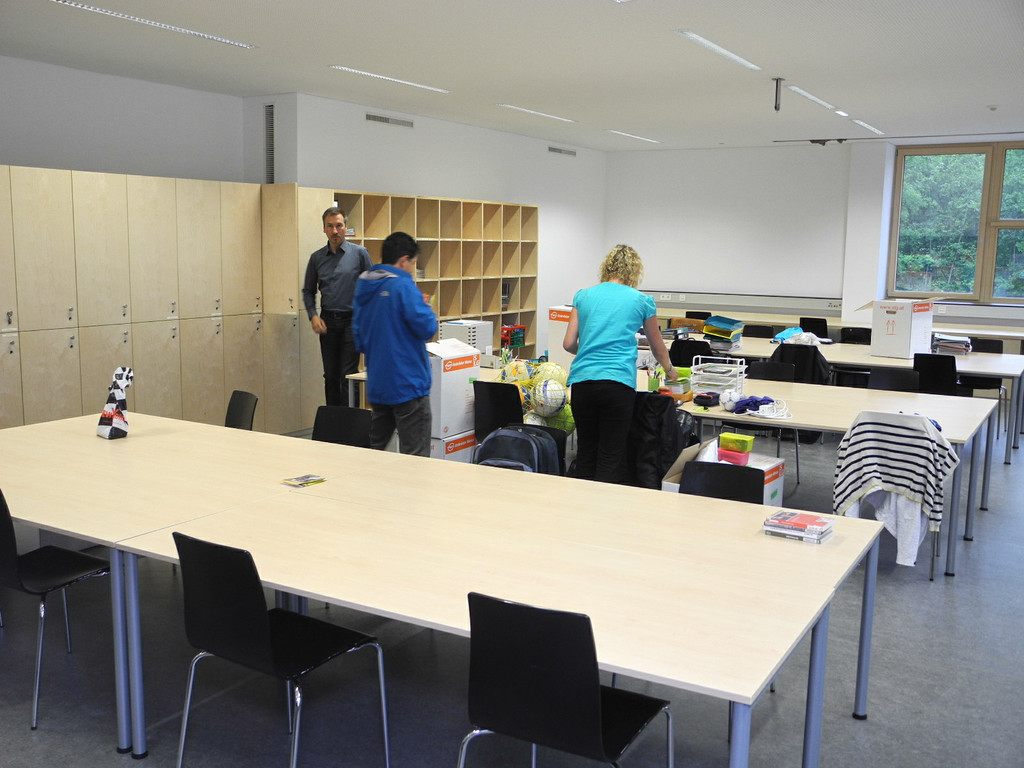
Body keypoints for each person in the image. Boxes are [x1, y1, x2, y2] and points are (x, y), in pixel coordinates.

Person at [562, 244, 678, 484]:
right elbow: (658, 348)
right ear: (634, 271)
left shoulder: (582, 296)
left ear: (606, 268)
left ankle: (577, 504)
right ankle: (602, 506)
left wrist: (589, 350)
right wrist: (670, 370)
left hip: (583, 382)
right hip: (618, 384)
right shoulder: (642, 301)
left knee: (585, 453)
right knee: (610, 456)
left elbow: (568, 343)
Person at [353, 231, 438, 456]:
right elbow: (427, 328)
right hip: (408, 383)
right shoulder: (403, 286)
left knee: (375, 453)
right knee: (416, 457)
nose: (412, 269)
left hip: (379, 384)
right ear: (403, 260)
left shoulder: (364, 286)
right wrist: (427, 308)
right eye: (413, 263)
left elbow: (359, 340)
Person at [302, 207, 372, 406]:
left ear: (345, 227)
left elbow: (372, 287)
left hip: (352, 321)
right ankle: (332, 421)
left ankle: (351, 422)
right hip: (327, 323)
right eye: (330, 226)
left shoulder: (360, 254)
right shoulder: (317, 258)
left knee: (347, 376)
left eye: (339, 226)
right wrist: (313, 316)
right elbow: (308, 290)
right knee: (330, 376)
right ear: (324, 229)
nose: (335, 231)